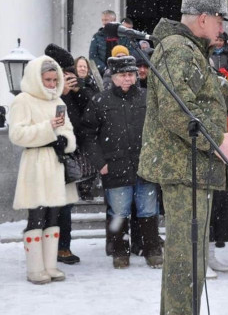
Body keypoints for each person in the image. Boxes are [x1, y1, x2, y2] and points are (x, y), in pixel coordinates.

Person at [137, 0, 228, 315]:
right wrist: (216, 139)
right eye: (219, 20)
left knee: (191, 258)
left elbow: (215, 94)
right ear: (203, 19)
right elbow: (177, 110)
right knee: (185, 258)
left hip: (190, 168)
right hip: (184, 168)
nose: (222, 28)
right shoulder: (179, 51)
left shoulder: (191, 50)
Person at [82, 56, 163, 270]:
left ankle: (152, 249)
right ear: (113, 77)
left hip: (145, 166)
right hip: (115, 167)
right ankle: (119, 251)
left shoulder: (148, 98)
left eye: (131, 74)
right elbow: (88, 135)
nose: (127, 79)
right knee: (119, 212)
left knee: (148, 210)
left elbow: (160, 130)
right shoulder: (100, 101)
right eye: (123, 75)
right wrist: (100, 163)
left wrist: (157, 157)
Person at [9, 56, 79, 284]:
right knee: (36, 216)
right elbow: (17, 134)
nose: (51, 84)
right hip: (35, 163)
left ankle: (50, 266)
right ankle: (35, 269)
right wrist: (48, 129)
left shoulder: (58, 101)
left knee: (53, 216)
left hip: (56, 164)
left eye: (54, 79)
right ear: (36, 79)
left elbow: (69, 131)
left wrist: (64, 140)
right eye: (47, 80)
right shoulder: (23, 100)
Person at [44, 44, 100, 265]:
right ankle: (49, 248)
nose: (67, 77)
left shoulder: (77, 89)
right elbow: (51, 116)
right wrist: (63, 94)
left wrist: (79, 91)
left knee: (65, 203)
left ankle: (63, 247)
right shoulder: (46, 90)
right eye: (65, 73)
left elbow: (93, 110)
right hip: (49, 154)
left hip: (69, 154)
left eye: (70, 73)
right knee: (48, 205)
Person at [89, 9, 131, 76]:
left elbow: (130, 53)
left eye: (106, 20)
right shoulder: (97, 36)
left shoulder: (123, 36)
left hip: (122, 72)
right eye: (102, 20)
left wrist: (120, 68)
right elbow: (93, 56)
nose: (104, 23)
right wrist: (105, 69)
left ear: (114, 20)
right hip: (102, 74)